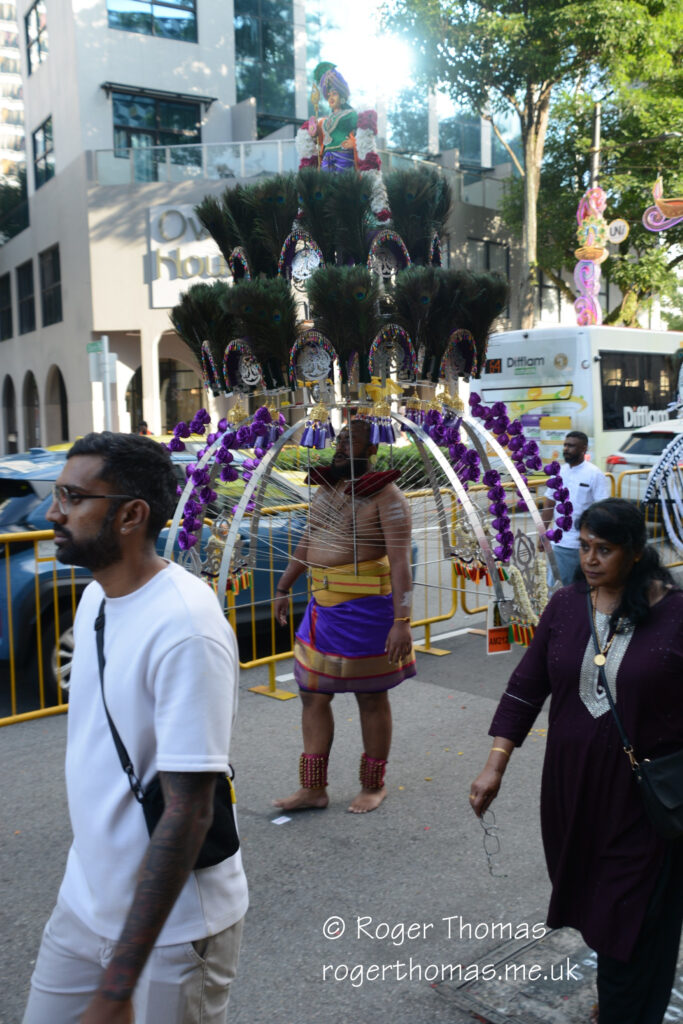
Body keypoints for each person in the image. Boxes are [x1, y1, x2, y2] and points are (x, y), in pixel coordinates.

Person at [24, 433, 248, 1024]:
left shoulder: (186, 627)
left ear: (130, 515)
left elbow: (190, 811)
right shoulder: (97, 599)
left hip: (174, 932)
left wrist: (118, 986)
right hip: (84, 903)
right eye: (56, 494)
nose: (53, 511)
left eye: (72, 497)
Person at [470, 498, 683, 1024]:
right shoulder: (567, 606)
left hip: (644, 805)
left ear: (634, 554)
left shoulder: (675, 616)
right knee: (599, 910)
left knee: (630, 921)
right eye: (585, 546)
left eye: (603, 550)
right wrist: (495, 764)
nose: (589, 559)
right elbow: (526, 687)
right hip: (572, 795)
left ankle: (627, 1010)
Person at [273, 417, 416, 814]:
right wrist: (284, 586)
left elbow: (401, 565)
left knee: (371, 697)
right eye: (337, 439)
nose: (339, 447)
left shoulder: (389, 499)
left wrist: (402, 622)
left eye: (350, 441)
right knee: (311, 693)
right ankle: (313, 789)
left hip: (368, 612)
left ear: (372, 450)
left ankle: (373, 785)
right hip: (321, 610)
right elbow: (308, 539)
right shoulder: (325, 492)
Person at [540, 430, 609, 585]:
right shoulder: (558, 472)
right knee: (557, 587)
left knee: (581, 588)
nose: (566, 449)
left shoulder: (594, 474)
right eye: (565, 445)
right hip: (560, 543)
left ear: (583, 449)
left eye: (571, 446)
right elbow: (549, 503)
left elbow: (602, 509)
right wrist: (542, 533)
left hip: (583, 544)